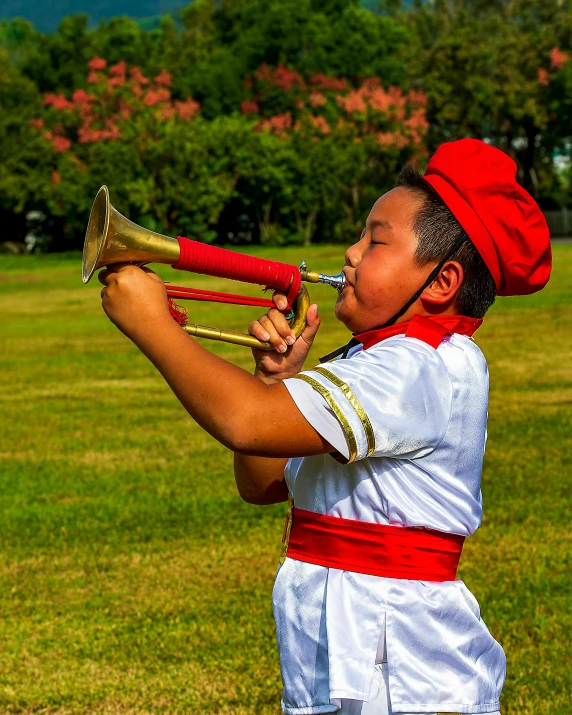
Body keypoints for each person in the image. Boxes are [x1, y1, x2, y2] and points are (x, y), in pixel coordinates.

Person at [98, 139, 551, 714]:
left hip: (402, 658)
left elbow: (244, 424)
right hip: (352, 640)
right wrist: (274, 382)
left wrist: (153, 325)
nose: (352, 252)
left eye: (376, 240)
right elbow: (260, 485)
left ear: (440, 282)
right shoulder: (375, 359)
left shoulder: (417, 367)